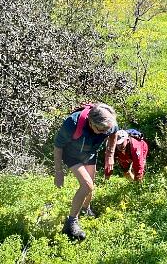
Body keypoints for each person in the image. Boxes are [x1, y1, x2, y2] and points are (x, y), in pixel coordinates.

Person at [53, 103, 118, 240]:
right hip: (71, 155)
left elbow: (114, 133)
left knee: (90, 187)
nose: (105, 133)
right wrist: (59, 172)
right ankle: (71, 223)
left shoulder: (108, 124)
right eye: (101, 131)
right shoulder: (72, 123)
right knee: (87, 185)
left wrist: (110, 155)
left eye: (107, 130)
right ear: (91, 122)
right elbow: (58, 146)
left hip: (89, 153)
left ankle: (85, 209)